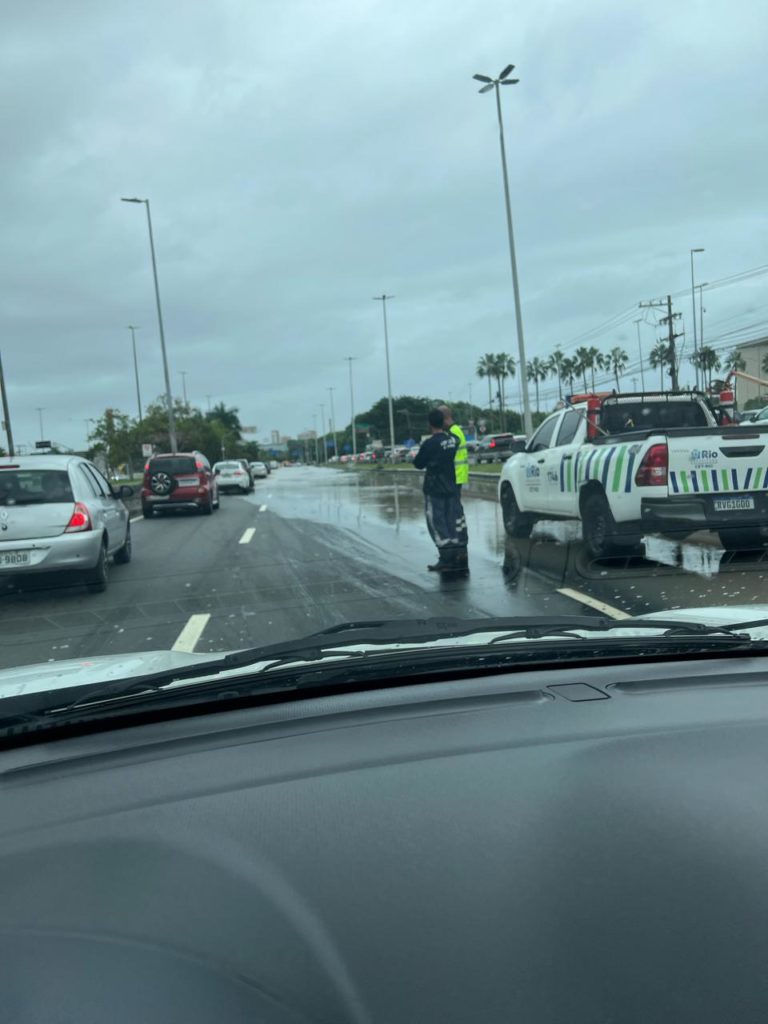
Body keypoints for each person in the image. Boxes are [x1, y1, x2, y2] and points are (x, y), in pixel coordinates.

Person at [413, 408, 468, 573]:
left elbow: (418, 463)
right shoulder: (452, 440)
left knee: (436, 522)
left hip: (435, 488)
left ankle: (445, 558)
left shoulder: (430, 444)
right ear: (443, 422)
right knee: (451, 520)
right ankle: (456, 553)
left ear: (430, 424)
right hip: (451, 485)